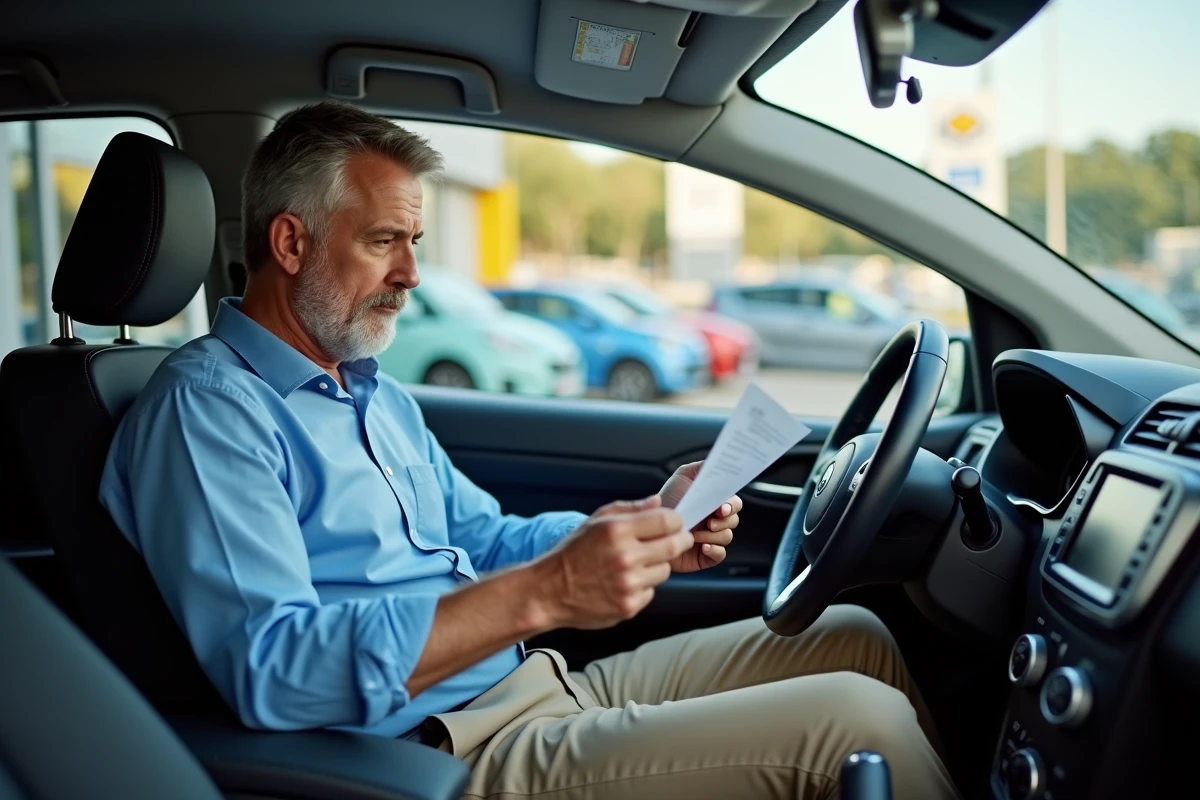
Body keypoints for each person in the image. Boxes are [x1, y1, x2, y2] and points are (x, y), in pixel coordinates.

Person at [100, 101, 958, 800]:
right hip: (439, 755)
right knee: (860, 722)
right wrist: (548, 593)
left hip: (536, 687)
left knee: (853, 635)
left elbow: (484, 538)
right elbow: (273, 671)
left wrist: (644, 524)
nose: (413, 275)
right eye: (383, 241)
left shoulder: (373, 393)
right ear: (290, 244)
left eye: (415, 243)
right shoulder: (208, 414)